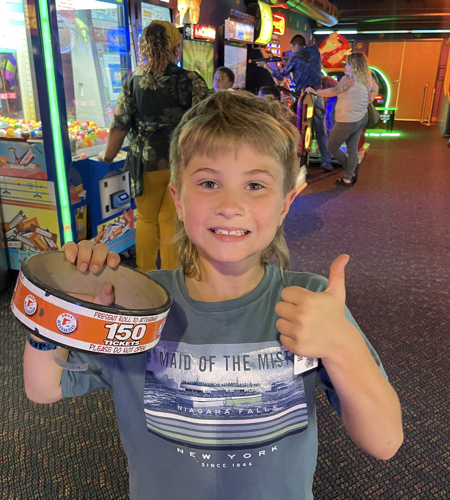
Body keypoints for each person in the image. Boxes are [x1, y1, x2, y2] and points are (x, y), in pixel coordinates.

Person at [24, 91, 403, 500]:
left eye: (255, 185)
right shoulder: (136, 306)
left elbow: (384, 441)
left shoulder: (311, 303)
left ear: (285, 204)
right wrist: (62, 303)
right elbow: (44, 389)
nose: (230, 205)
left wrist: (342, 344)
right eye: (209, 183)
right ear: (178, 201)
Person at [97, 20, 209, 273]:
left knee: (146, 219)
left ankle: (145, 274)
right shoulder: (190, 79)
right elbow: (207, 121)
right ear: (174, 45)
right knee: (171, 220)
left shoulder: (133, 81)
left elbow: (119, 124)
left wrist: (108, 156)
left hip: (145, 162)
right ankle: (170, 277)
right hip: (182, 161)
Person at [311, 53, 379, 186]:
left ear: (353, 65)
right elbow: (374, 89)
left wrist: (314, 92)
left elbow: (334, 91)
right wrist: (366, 101)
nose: (345, 65)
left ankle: (350, 170)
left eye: (347, 63)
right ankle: (348, 177)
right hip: (361, 117)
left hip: (347, 120)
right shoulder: (367, 78)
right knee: (352, 148)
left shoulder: (349, 78)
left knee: (331, 147)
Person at [257, 34, 321, 103]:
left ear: (297, 45)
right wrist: (290, 61)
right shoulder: (315, 52)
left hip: (305, 97)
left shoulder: (294, 59)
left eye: (292, 48)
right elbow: (306, 61)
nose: (292, 51)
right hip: (318, 94)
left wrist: (265, 66)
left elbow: (279, 76)